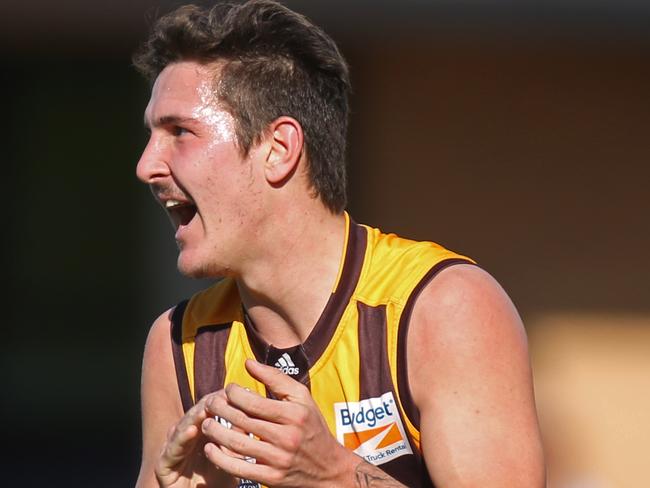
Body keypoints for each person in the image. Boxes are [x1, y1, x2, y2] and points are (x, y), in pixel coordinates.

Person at [132, 1, 545, 487]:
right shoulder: (179, 344)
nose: (146, 166)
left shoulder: (442, 310)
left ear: (279, 149)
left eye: (180, 131)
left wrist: (333, 476)